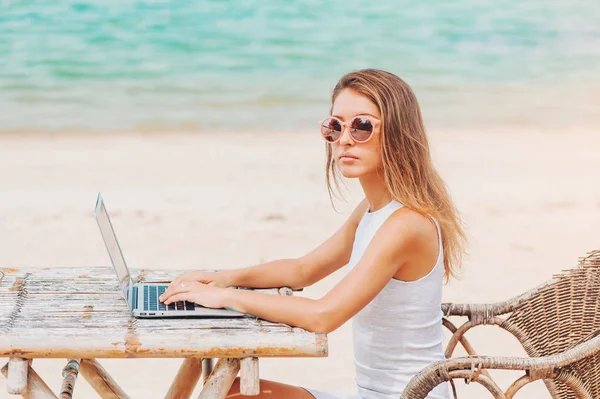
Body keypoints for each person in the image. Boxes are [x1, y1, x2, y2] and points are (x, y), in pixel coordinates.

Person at [159, 69, 466, 399]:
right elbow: (304, 269)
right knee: (228, 391)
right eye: (335, 126)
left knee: (228, 396)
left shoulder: (407, 224)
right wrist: (224, 278)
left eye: (362, 126)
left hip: (407, 397)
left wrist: (228, 298)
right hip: (373, 394)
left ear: (397, 132)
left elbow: (323, 316)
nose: (345, 139)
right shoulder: (372, 210)